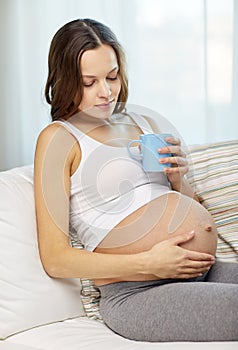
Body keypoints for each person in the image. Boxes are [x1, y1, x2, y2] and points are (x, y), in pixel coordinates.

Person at [34, 18, 238, 342]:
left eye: (112, 77)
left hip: (199, 268)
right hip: (135, 292)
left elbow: (185, 206)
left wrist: (178, 179)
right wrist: (150, 262)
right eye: (89, 82)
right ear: (65, 79)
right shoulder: (58, 139)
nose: (106, 92)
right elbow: (55, 258)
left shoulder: (141, 121)